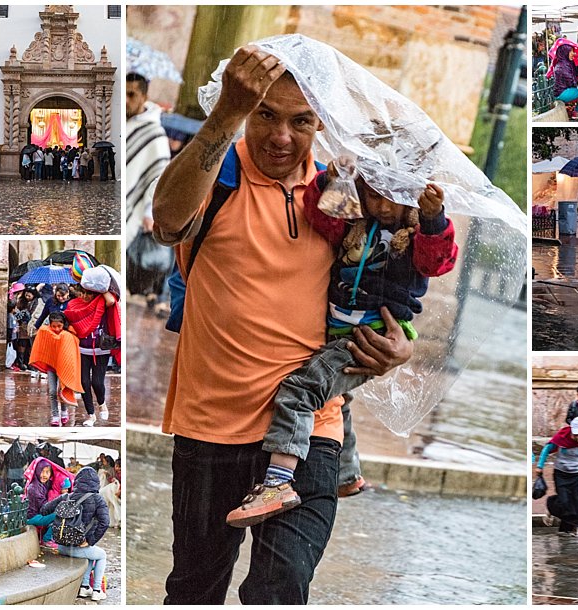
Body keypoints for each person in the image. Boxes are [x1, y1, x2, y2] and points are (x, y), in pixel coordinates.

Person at [151, 45, 413, 604]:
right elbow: (168, 222)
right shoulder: (216, 177)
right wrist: (224, 113)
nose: (281, 137)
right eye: (265, 114)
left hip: (310, 430)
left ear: (322, 122)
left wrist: (397, 346)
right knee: (195, 588)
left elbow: (384, 293)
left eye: (301, 121)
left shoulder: (342, 201)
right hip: (211, 427)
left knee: (280, 587)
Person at [227, 159, 458, 527]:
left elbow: (437, 262)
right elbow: (321, 216)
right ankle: (347, 476)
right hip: (339, 326)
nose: (380, 206)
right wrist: (331, 180)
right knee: (335, 394)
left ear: (410, 197)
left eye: (390, 198)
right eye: (370, 194)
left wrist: (433, 219)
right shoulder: (355, 224)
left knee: (300, 391)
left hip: (372, 332)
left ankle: (278, 482)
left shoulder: (414, 236)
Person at [125, 72, 172, 307]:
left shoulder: (154, 135)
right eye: (122, 93)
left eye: (131, 94)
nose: (125, 100)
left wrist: (148, 213)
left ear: (144, 96)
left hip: (129, 213)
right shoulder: (119, 122)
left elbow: (158, 178)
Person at [39, 466, 110, 602]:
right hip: (77, 548)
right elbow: (105, 522)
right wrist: (90, 541)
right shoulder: (97, 499)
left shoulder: (66, 497)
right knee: (101, 555)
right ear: (95, 482)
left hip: (61, 546)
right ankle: (96, 590)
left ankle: (84, 587)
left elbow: (44, 510)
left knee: (90, 554)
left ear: (77, 481)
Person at [64, 284, 120, 426]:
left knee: (97, 382)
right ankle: (90, 415)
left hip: (101, 349)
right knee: (83, 382)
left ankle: (102, 404)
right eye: (82, 293)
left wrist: (101, 286)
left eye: (88, 294)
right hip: (82, 349)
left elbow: (112, 301)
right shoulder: (74, 305)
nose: (84, 297)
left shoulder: (101, 302)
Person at [536, 416, 578, 537]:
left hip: (577, 475)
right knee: (565, 502)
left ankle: (573, 528)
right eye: (576, 434)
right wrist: (540, 466)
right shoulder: (561, 438)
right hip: (561, 474)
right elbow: (546, 450)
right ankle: (551, 505)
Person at [29, 312, 82, 425]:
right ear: (50, 325)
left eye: (59, 326)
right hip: (51, 367)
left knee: (62, 391)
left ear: (64, 324)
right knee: (53, 391)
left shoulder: (68, 334)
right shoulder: (45, 332)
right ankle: (54, 415)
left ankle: (63, 411)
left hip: (64, 368)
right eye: (54, 326)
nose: (56, 329)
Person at [23, 457, 74, 549]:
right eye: (42, 471)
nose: (44, 475)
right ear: (37, 472)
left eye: (47, 472)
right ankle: (46, 540)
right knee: (62, 514)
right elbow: (44, 508)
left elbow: (58, 478)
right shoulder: (34, 488)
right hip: (32, 517)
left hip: (38, 514)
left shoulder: (43, 484)